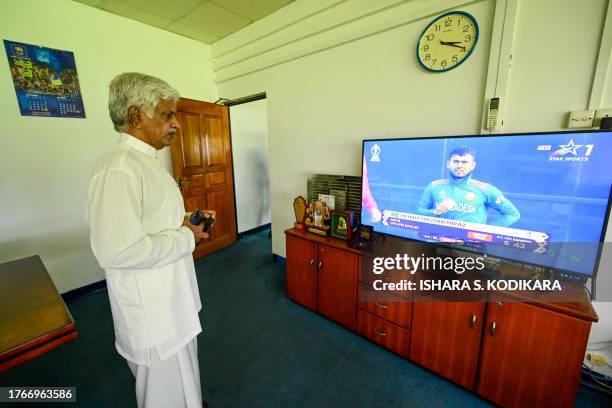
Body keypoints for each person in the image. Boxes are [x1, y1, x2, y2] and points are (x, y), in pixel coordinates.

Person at [85, 72, 213, 408]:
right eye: (167, 115)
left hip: (173, 299)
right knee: (163, 396)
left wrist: (184, 222)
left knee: (186, 384)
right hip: (153, 312)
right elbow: (117, 251)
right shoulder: (118, 168)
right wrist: (187, 237)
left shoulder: (146, 162)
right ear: (135, 116)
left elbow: (149, 221)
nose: (176, 124)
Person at [417, 146, 520, 227]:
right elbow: (420, 212)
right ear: (448, 164)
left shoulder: (485, 189)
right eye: (456, 161)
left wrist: (486, 231)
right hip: (436, 243)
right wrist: (435, 212)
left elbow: (512, 214)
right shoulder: (434, 186)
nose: (459, 165)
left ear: (472, 166)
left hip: (468, 248)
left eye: (464, 162)